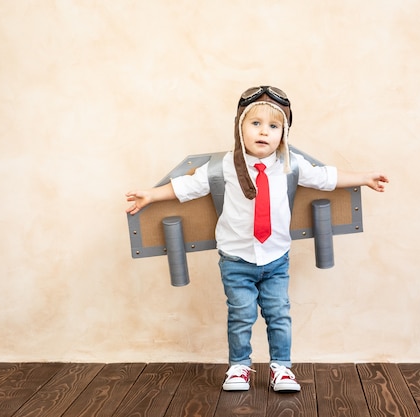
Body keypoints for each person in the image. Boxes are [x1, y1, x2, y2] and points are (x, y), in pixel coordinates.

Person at [125, 86, 388, 392]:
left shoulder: (290, 165)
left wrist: (365, 178)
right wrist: (151, 195)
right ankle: (239, 366)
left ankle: (282, 368)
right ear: (240, 128)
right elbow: (187, 187)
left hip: (276, 260)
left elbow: (327, 177)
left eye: (274, 126)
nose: (264, 132)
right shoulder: (223, 167)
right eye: (256, 123)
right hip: (236, 261)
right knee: (241, 315)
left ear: (283, 134)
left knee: (279, 315)